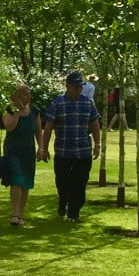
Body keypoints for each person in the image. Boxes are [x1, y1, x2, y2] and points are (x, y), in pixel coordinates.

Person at [40, 71, 101, 223]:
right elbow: (48, 127)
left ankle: (74, 213)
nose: (78, 89)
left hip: (83, 151)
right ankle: (63, 200)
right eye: (75, 87)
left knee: (80, 184)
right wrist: (44, 148)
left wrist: (98, 144)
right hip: (63, 152)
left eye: (80, 86)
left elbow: (94, 124)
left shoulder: (88, 103)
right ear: (67, 86)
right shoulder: (57, 103)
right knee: (62, 182)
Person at [1, 83, 40, 226]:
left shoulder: (35, 110)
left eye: (29, 94)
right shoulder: (9, 109)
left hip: (28, 150)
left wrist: (41, 148)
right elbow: (9, 127)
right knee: (16, 180)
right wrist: (17, 112)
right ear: (17, 96)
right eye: (25, 94)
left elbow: (37, 131)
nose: (28, 97)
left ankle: (21, 214)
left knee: (26, 182)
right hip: (13, 150)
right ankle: (15, 214)